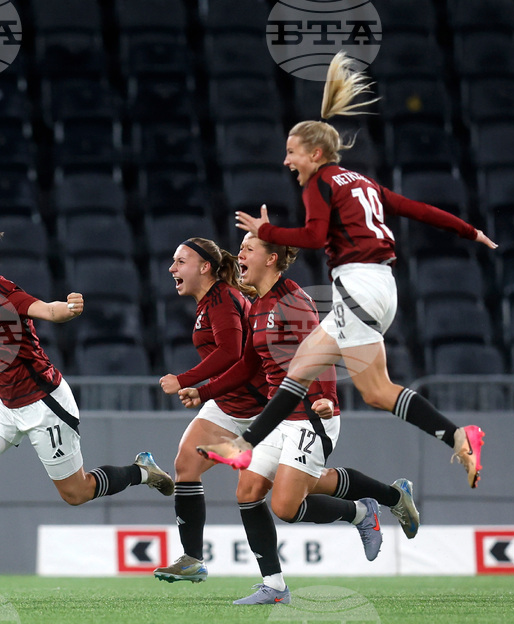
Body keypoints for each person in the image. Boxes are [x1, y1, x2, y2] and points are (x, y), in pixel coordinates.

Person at [204, 51, 497, 489]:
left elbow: (315, 237)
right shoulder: (362, 182)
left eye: (292, 153)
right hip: (378, 285)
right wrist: (469, 230)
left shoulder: (321, 183)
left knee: (377, 391)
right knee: (301, 367)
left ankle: (459, 435)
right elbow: (416, 208)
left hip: (358, 284)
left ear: (315, 153)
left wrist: (268, 229)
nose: (287, 162)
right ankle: (245, 446)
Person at [0, 231, 174, 587]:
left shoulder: (3, 293)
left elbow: (45, 310)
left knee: (76, 493)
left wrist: (68, 309)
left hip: (43, 403)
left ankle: (142, 471)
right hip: (3, 403)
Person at [180, 233, 421, 604]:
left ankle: (369, 508)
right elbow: (247, 364)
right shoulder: (258, 305)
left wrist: (325, 396)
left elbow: (319, 349)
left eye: (248, 249)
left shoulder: (292, 299)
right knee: (247, 491)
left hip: (310, 414)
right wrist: (204, 391)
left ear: (271, 258)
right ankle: (274, 587)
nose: (239, 255)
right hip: (278, 416)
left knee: (286, 507)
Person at [153, 237, 270, 584]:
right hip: (230, 403)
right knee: (186, 464)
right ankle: (192, 559)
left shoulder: (222, 299)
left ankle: (366, 506)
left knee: (298, 497)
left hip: (262, 408)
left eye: (180, 261)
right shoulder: (211, 301)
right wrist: (204, 392)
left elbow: (232, 351)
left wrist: (186, 380)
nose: (172, 268)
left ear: (205, 267)